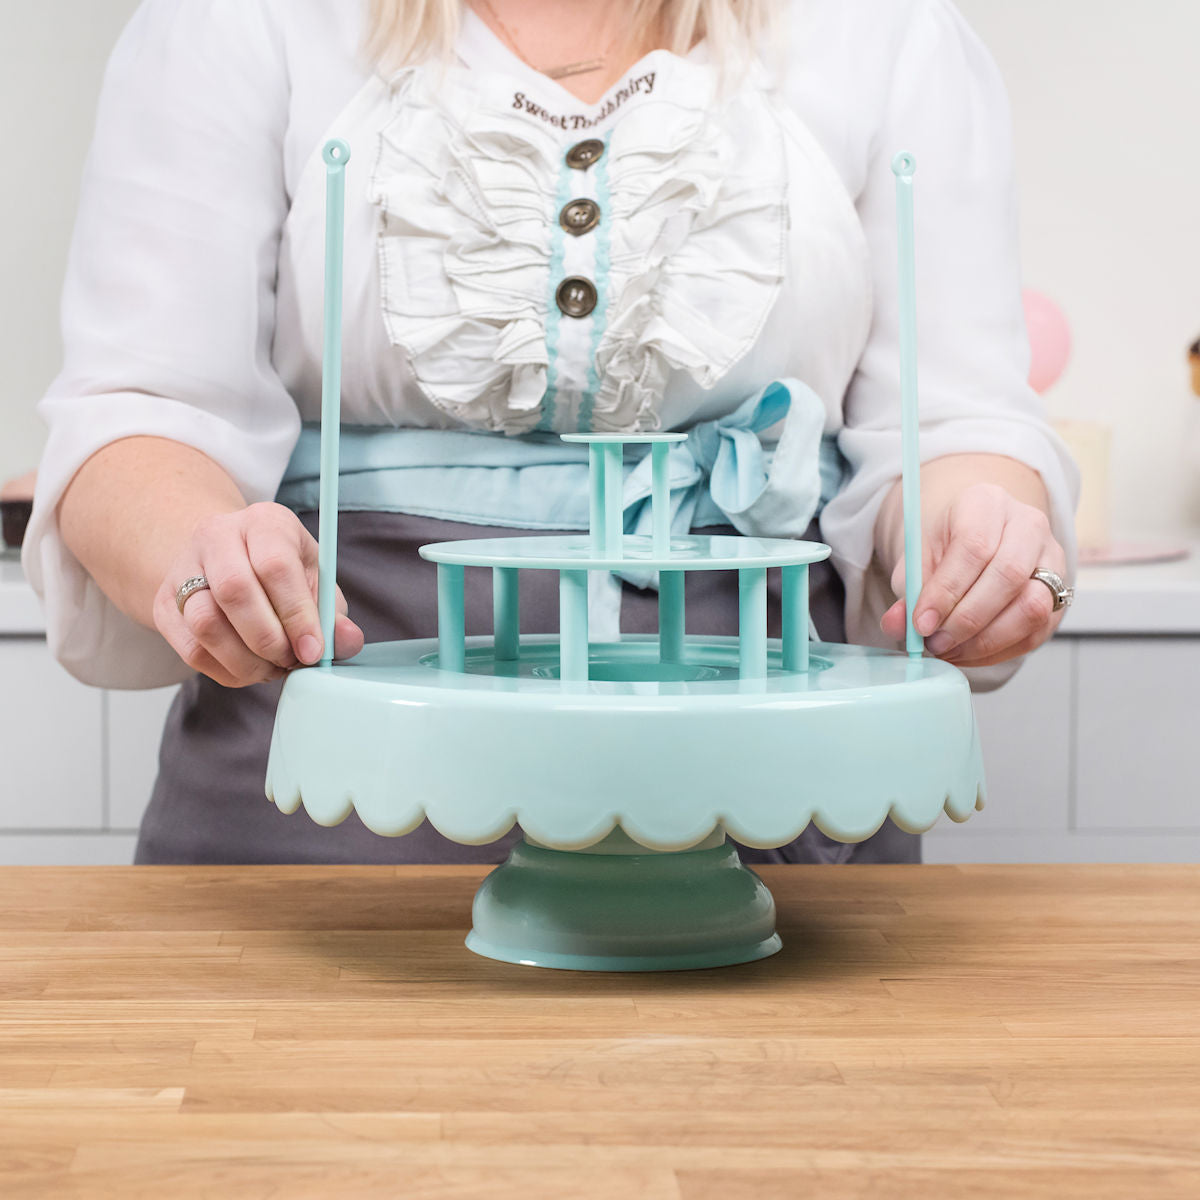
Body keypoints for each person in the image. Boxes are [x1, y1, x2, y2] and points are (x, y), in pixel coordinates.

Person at [23, 0, 1078, 866]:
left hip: (780, 808)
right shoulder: (234, 21)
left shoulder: (889, 32)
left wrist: (977, 543)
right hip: (317, 818)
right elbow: (142, 413)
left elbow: (953, 425)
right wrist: (206, 558)